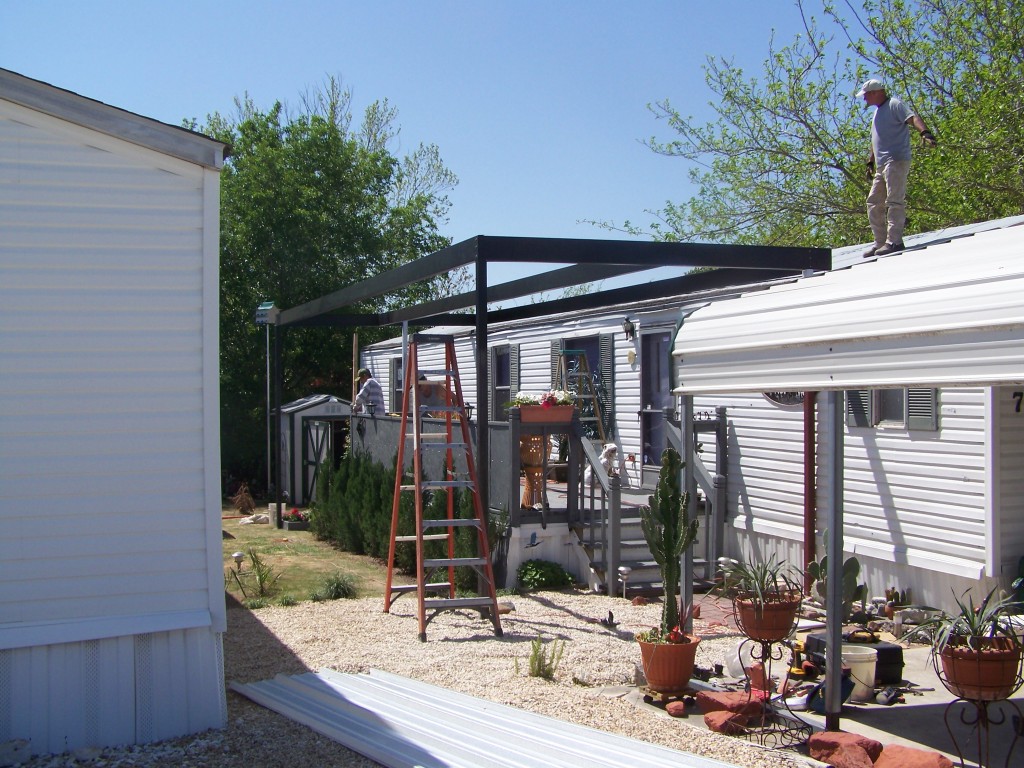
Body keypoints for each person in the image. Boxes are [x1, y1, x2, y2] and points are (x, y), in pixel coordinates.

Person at [858, 78, 937, 258]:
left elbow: (912, 118)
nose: (865, 99)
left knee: (894, 200)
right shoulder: (877, 113)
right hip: (882, 164)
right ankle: (880, 242)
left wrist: (925, 132)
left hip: (895, 160)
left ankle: (894, 241)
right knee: (873, 202)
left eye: (866, 95)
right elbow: (877, 139)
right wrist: (870, 161)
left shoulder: (894, 105)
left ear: (876, 92)